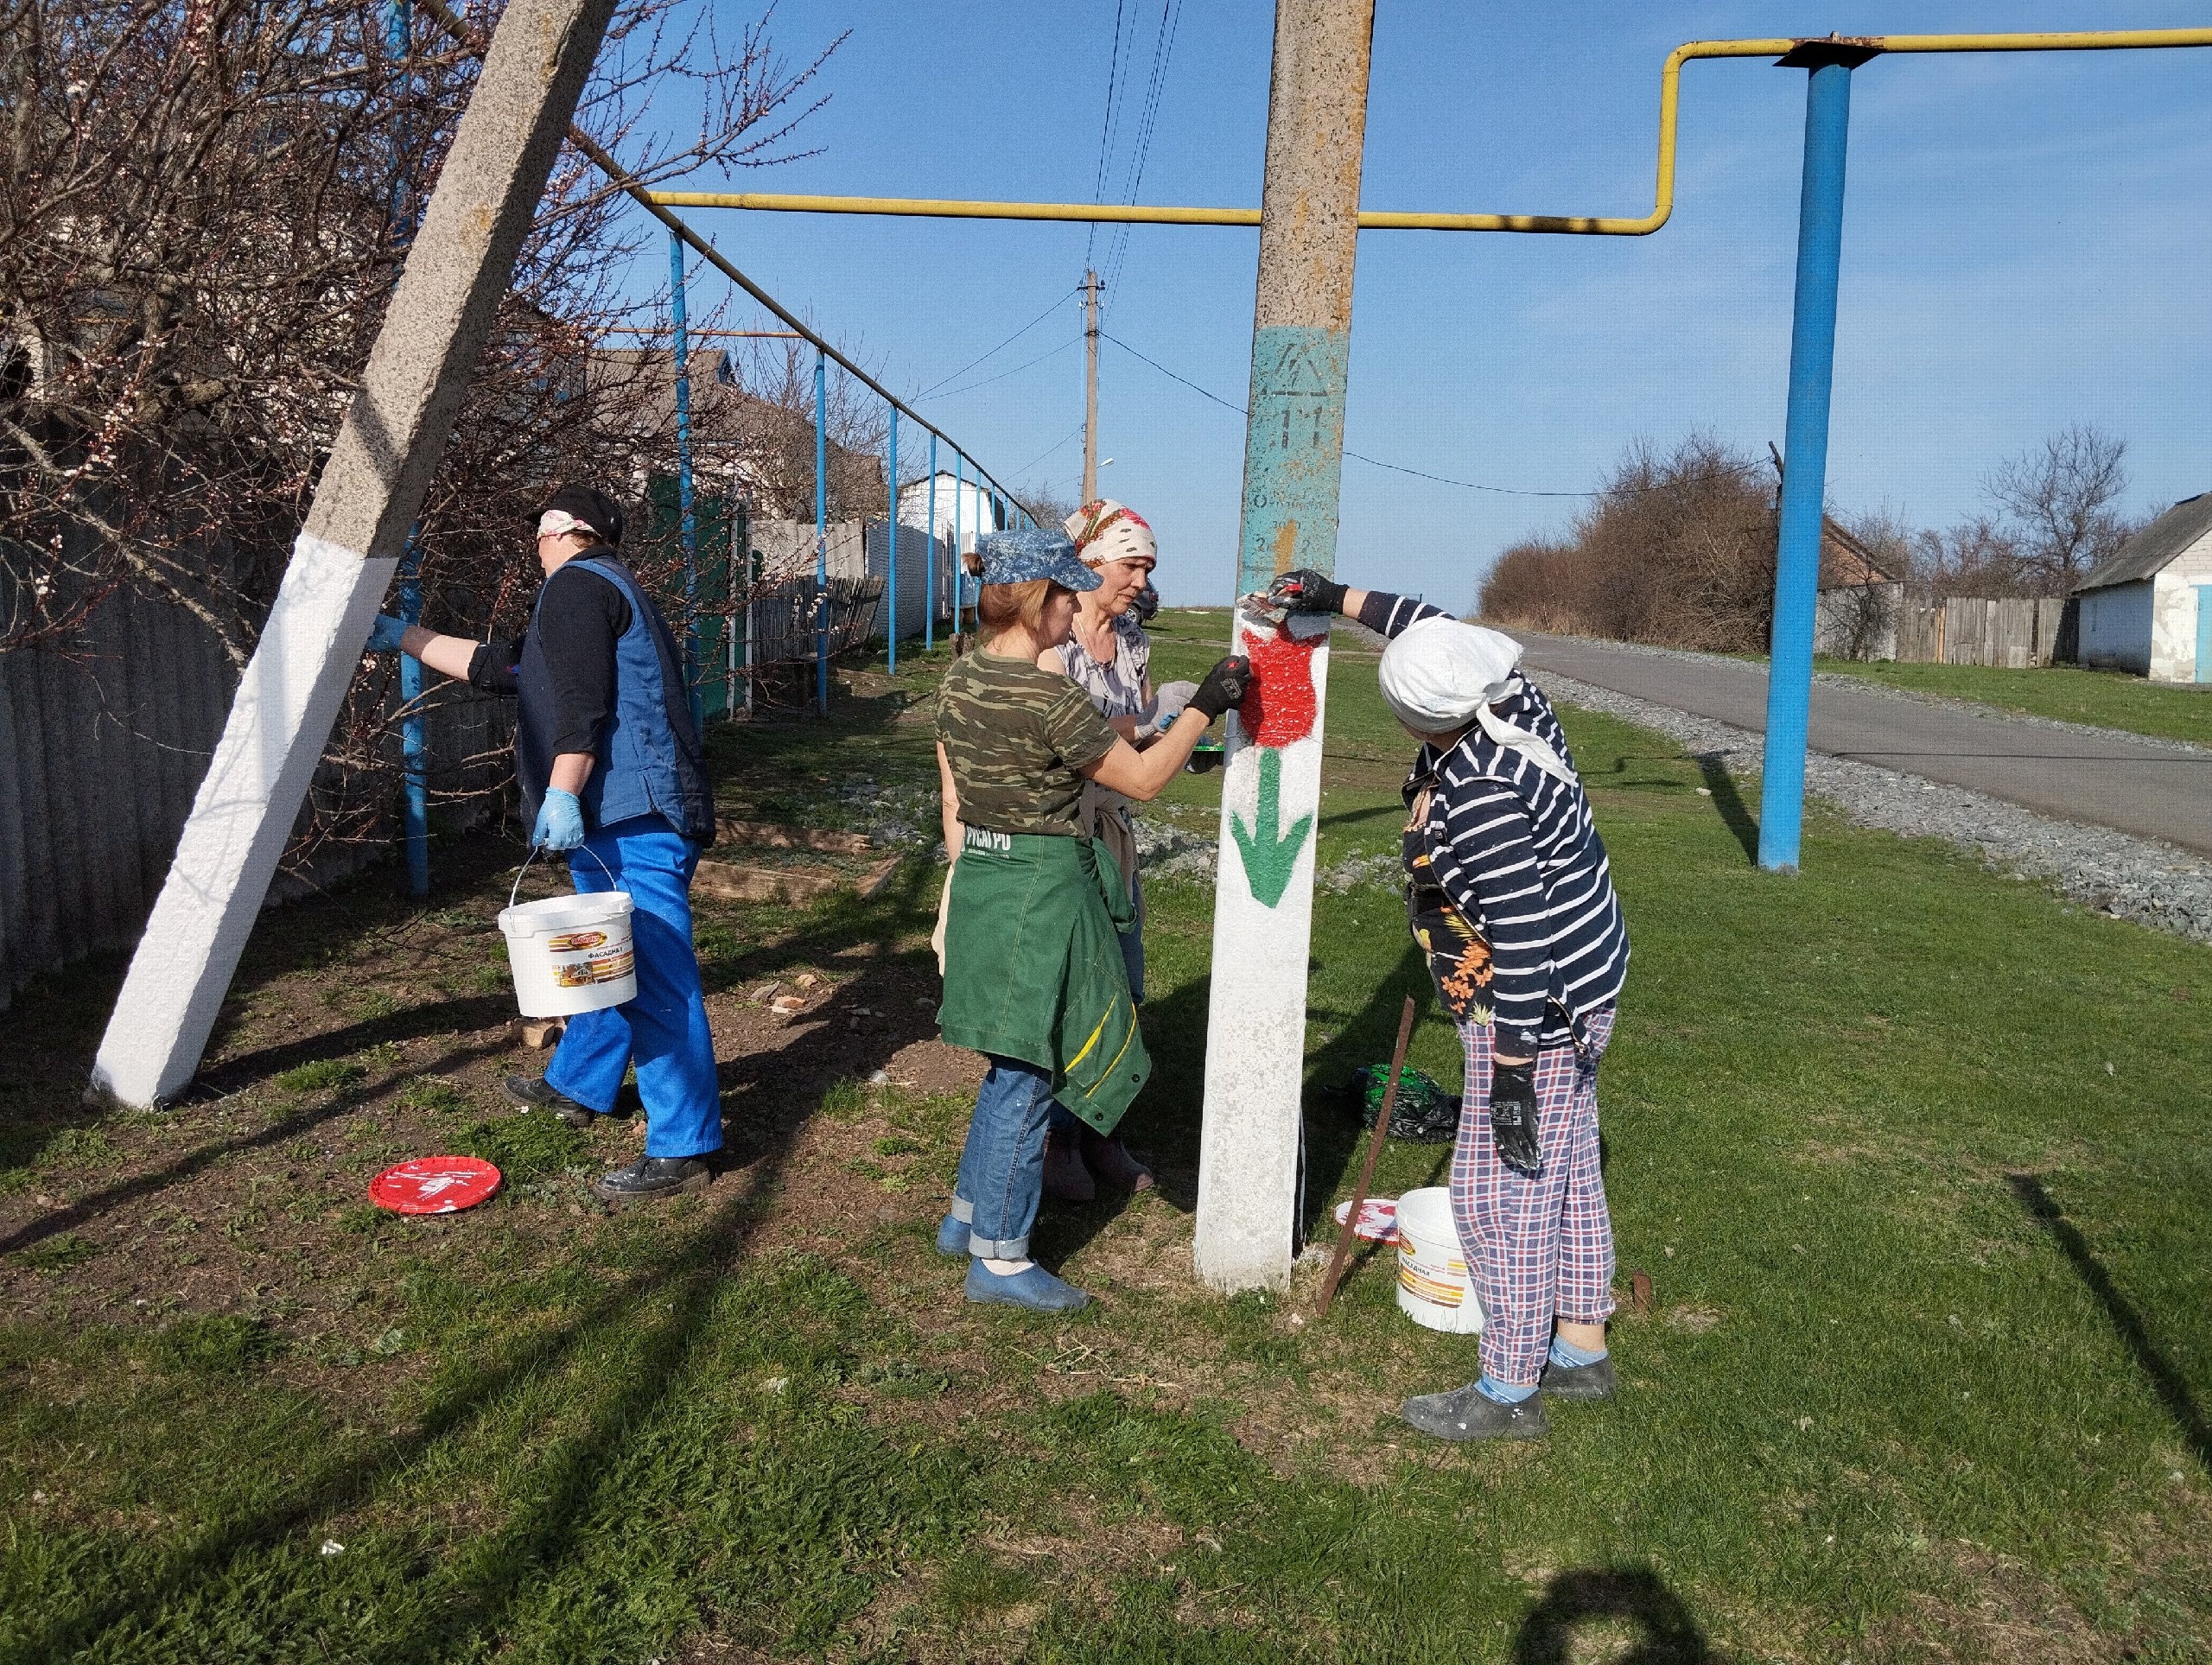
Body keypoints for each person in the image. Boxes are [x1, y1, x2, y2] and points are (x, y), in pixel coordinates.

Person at [1268, 569, 1630, 1441]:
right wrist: (1338, 594)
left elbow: (1524, 931)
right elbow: (1429, 627)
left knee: (1495, 1191)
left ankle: (1507, 1388)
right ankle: (1580, 1347)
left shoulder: (1478, 797)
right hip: (1589, 977)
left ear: (1413, 716)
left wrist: (1508, 1070)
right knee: (1568, 1162)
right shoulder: (1511, 698)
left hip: (1534, 1003)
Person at [367, 486, 722, 1204]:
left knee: (653, 972)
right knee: (605, 954)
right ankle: (578, 1085)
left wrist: (563, 787)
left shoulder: (574, 587)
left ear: (562, 530)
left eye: (538, 531)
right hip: (635, 811)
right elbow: (506, 668)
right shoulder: (597, 593)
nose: (535, 543)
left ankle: (685, 1143)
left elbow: (584, 701)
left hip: (637, 813)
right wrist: (398, 634)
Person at [934, 528, 1249, 1312]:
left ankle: (967, 1215)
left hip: (982, 870)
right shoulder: (1046, 697)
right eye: (1069, 593)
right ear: (1041, 600)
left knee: (1006, 1058)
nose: (1079, 605)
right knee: (1033, 1068)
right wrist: (1205, 706)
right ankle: (1000, 1260)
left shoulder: (961, 678)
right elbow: (1140, 778)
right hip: (1041, 886)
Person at [1034, 499, 1162, 1203]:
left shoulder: (1134, 638)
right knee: (1070, 990)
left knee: (1127, 983)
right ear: (1088, 558)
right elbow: (1064, 739)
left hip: (1114, 834)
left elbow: (1138, 721)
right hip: (1062, 835)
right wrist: (1134, 734)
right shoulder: (1051, 643)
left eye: (1147, 566)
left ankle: (1104, 1133)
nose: (1140, 578)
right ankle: (1056, 1138)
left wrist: (1164, 735)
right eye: (1130, 562)